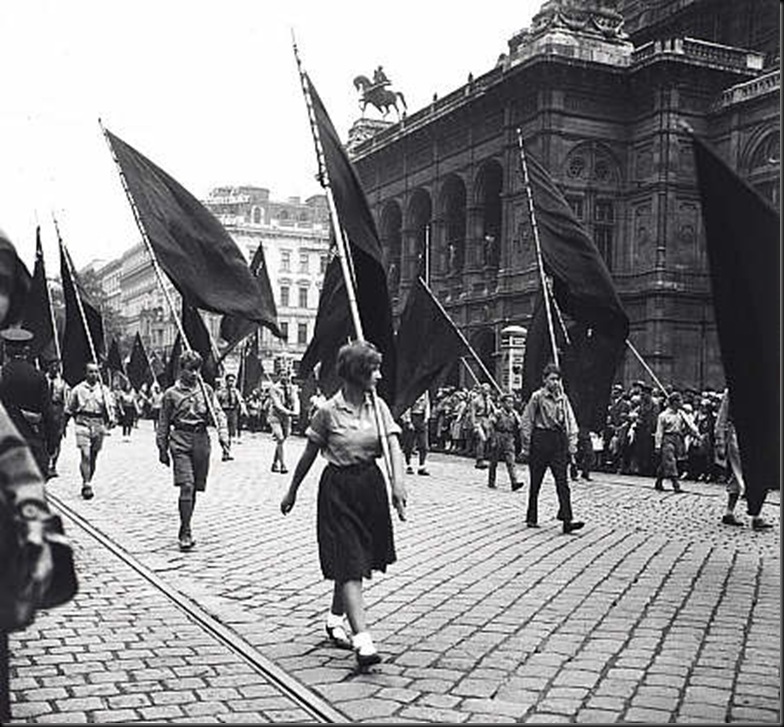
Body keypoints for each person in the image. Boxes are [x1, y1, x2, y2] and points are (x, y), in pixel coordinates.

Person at [280, 341, 406, 668]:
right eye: (372, 370)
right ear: (354, 374)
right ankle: (363, 641)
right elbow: (308, 456)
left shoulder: (379, 408)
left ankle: (335, 618)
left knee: (358, 561)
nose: (378, 376)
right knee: (349, 561)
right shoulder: (328, 412)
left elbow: (393, 446)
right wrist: (291, 490)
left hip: (371, 488)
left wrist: (398, 484)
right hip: (339, 489)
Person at [156, 350, 229, 551]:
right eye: (190, 370)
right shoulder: (170, 394)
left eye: (197, 369)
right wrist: (162, 447)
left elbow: (218, 414)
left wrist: (224, 436)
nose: (195, 374)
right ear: (182, 370)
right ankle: (186, 530)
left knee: (195, 486)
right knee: (186, 485)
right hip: (180, 439)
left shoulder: (206, 390)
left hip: (201, 440)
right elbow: (163, 423)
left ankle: (186, 522)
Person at [520, 363, 584, 534]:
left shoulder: (563, 399)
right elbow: (527, 421)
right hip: (540, 439)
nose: (555, 383)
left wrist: (572, 443)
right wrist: (526, 446)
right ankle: (531, 515)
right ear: (544, 380)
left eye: (557, 379)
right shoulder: (537, 398)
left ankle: (567, 519)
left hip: (557, 442)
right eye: (552, 379)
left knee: (562, 482)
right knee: (536, 482)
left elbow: (571, 422)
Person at [0, 329, 58, 480]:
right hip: (32, 443)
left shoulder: (1, 375)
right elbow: (48, 414)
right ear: (26, 350)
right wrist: (52, 445)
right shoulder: (38, 377)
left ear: (5, 350)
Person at [714, 388, 772, 531]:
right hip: (737, 435)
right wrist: (720, 441)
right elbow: (722, 417)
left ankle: (729, 512)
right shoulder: (732, 391)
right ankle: (755, 515)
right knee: (746, 472)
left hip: (757, 436)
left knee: (740, 474)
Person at [64, 361, 115, 500]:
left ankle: (88, 480)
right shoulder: (78, 389)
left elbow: (110, 407)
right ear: (85, 373)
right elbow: (69, 409)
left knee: (93, 456)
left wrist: (112, 418)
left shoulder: (104, 390)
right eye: (91, 371)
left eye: (96, 372)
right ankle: (87, 484)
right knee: (85, 454)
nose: (94, 374)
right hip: (82, 422)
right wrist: (63, 426)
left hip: (98, 424)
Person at [654, 391, 700, 493]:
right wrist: (657, 445)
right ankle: (676, 484)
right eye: (680, 400)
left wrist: (697, 435)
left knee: (665, 462)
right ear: (674, 402)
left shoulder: (682, 414)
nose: (682, 402)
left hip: (678, 439)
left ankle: (659, 481)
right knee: (670, 460)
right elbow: (659, 432)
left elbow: (690, 425)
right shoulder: (663, 415)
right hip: (667, 438)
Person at [487, 392, 523, 491]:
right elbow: (491, 426)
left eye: (512, 402)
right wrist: (493, 439)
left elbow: (520, 426)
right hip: (499, 435)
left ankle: (514, 482)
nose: (510, 405)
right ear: (502, 403)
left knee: (511, 461)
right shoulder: (497, 413)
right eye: (508, 402)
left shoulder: (514, 414)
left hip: (509, 437)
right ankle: (491, 481)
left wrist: (518, 419)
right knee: (494, 461)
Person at [268, 373, 298, 474]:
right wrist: (290, 412)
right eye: (283, 375)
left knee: (282, 440)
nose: (285, 377)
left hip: (286, 418)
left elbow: (295, 400)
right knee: (280, 438)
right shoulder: (274, 388)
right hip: (275, 415)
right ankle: (283, 465)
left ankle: (274, 463)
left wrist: (296, 411)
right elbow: (277, 404)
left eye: (287, 375)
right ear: (279, 376)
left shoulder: (292, 388)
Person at [45, 360, 69, 478]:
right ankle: (44, 464)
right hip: (44, 410)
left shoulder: (63, 384)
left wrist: (64, 422)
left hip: (57, 412)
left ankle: (53, 465)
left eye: (57, 366)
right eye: (52, 365)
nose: (55, 368)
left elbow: (66, 404)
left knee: (57, 440)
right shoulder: (42, 380)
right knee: (44, 438)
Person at [400, 391, 431, 476]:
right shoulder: (412, 390)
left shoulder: (425, 391)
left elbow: (427, 404)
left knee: (424, 445)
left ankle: (422, 466)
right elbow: (407, 406)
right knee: (409, 445)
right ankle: (408, 465)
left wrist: (426, 418)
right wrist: (408, 421)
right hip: (411, 417)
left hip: (421, 418)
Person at [216, 372, 245, 460]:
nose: (231, 383)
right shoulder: (221, 391)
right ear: (226, 381)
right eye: (229, 381)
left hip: (233, 412)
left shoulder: (235, 391)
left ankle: (227, 451)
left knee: (230, 433)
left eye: (232, 381)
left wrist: (243, 409)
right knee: (223, 432)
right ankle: (225, 451)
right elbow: (216, 402)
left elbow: (241, 401)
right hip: (224, 412)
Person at [469, 383, 496, 469]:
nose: (487, 392)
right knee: (481, 439)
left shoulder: (489, 400)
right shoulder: (475, 401)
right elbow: (472, 414)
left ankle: (487, 457)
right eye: (485, 390)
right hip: (479, 420)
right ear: (481, 390)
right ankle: (479, 460)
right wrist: (474, 425)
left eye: (488, 390)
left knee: (489, 439)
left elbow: (493, 410)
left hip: (487, 421)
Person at [116, 377, 139, 441]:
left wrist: (137, 409)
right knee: (124, 422)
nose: (128, 386)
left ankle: (129, 435)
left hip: (131, 408)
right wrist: (121, 410)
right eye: (127, 385)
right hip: (125, 408)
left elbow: (134, 401)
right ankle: (124, 435)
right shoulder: (122, 393)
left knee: (130, 422)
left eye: (129, 385)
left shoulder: (132, 392)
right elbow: (120, 402)